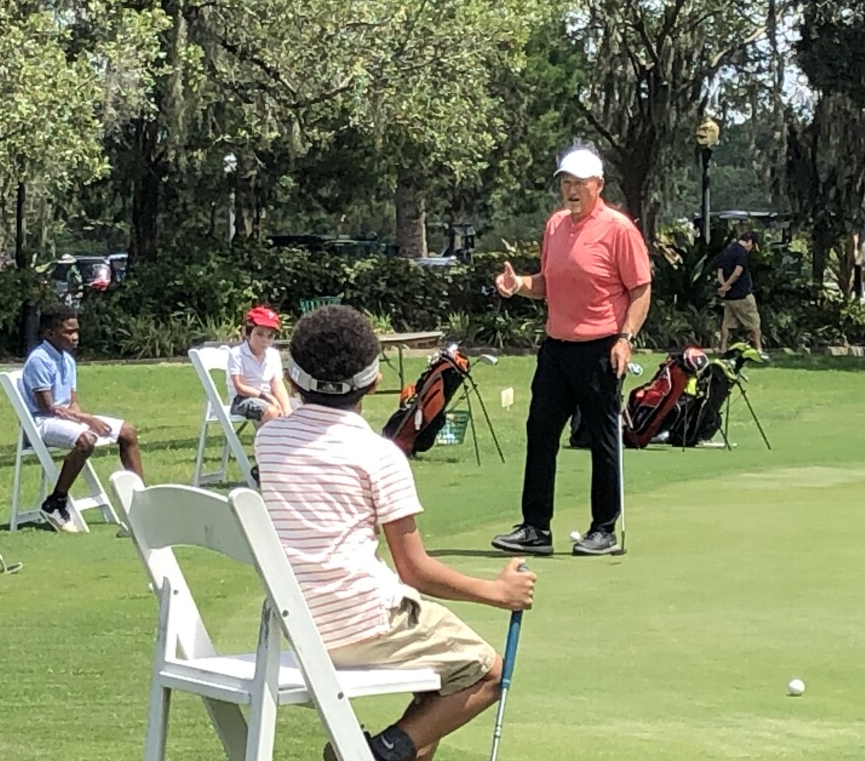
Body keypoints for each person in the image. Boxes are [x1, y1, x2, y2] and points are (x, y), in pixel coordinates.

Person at [254, 305, 535, 761]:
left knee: (432, 700)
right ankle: (376, 753)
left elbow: (279, 431)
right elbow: (415, 570)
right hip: (367, 619)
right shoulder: (379, 456)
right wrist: (498, 592)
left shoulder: (269, 441)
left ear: (291, 379)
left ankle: (387, 750)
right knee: (485, 672)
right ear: (373, 380)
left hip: (303, 624)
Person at [490, 146, 652, 557]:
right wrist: (520, 285)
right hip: (557, 348)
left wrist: (625, 338)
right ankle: (535, 528)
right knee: (540, 431)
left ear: (598, 186)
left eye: (579, 183)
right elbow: (549, 282)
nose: (570, 190)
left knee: (600, 439)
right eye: (565, 182)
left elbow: (640, 289)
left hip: (601, 349)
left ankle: (604, 530)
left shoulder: (619, 230)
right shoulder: (556, 226)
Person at [21, 304, 143, 532]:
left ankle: (140, 502)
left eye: (76, 330)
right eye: (68, 331)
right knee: (86, 440)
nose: (75, 337)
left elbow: (71, 402)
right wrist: (85, 420)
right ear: (49, 333)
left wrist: (81, 418)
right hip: (42, 423)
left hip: (65, 418)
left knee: (127, 431)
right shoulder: (39, 360)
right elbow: (48, 407)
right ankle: (56, 501)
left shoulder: (67, 359)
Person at [227, 305, 292, 423]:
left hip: (268, 396)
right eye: (259, 334)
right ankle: (269, 441)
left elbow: (277, 384)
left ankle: (292, 440)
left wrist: (287, 409)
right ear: (247, 333)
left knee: (299, 409)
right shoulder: (237, 353)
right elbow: (240, 387)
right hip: (242, 399)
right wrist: (267, 397)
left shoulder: (273, 355)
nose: (265, 340)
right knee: (271, 411)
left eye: (270, 336)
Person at [716, 231, 764, 354]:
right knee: (754, 322)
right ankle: (758, 349)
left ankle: (723, 349)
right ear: (749, 242)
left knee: (727, 324)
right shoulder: (742, 252)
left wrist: (723, 286)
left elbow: (720, 270)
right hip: (742, 295)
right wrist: (727, 285)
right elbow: (738, 272)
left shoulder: (727, 250)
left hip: (729, 297)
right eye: (752, 246)